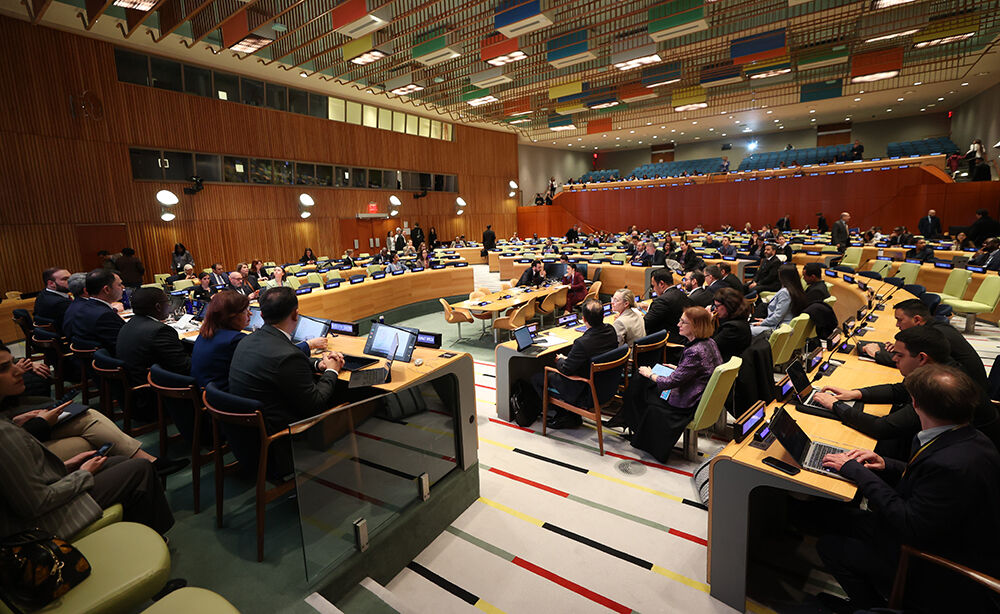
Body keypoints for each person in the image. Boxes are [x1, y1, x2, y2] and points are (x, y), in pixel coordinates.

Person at [817, 365, 1000, 613]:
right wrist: (886, 464)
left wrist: (856, 471)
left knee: (830, 547)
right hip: (944, 532)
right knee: (836, 517)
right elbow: (928, 478)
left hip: (929, 561)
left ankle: (872, 607)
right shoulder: (973, 438)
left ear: (915, 404)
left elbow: (907, 521)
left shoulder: (950, 464)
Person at [0, 345, 175, 537]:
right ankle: (153, 539)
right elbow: (37, 503)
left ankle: (138, 532)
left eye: (13, 363)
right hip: (42, 523)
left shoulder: (7, 423)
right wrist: (83, 473)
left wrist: (66, 466)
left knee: (117, 460)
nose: (18, 371)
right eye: (4, 368)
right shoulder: (4, 434)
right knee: (140, 469)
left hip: (48, 488)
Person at [812, 325, 998, 457]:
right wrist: (856, 393)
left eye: (899, 355)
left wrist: (835, 405)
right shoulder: (941, 369)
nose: (893, 358)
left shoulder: (940, 388)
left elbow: (882, 428)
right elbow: (900, 390)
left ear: (922, 358)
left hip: (959, 459)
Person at [606, 307, 722, 462]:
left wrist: (651, 374)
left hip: (686, 401)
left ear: (696, 327)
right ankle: (633, 425)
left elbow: (670, 382)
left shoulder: (694, 351)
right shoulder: (709, 343)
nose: (678, 324)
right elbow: (701, 370)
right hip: (695, 391)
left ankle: (635, 428)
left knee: (639, 383)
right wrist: (678, 369)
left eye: (683, 322)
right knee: (641, 382)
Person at [228, 287, 345, 436]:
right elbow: (316, 404)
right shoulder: (287, 356)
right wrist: (332, 370)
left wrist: (318, 365)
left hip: (245, 430)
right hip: (280, 435)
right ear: (296, 314)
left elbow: (283, 362)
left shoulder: (247, 340)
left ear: (262, 315)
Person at [192, 291, 325, 392]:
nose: (250, 314)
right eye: (245, 311)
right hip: (230, 402)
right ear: (231, 316)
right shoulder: (235, 340)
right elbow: (279, 357)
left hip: (210, 395)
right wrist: (309, 344)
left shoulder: (206, 332)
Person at [860, 299, 988, 390]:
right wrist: (901, 349)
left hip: (965, 393)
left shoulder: (935, 335)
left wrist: (877, 353)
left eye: (900, 320)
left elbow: (914, 362)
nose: (897, 325)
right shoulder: (935, 327)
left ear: (917, 319)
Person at [529, 299, 618, 430]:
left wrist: (560, 360)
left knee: (537, 378)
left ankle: (563, 414)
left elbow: (566, 370)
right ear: (603, 316)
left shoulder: (582, 343)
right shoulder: (611, 331)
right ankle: (567, 414)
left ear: (584, 319)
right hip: (606, 385)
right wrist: (570, 359)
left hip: (584, 391)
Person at [116, 288, 192, 422]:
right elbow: (184, 368)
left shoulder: (129, 324)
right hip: (156, 399)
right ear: (158, 307)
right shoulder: (160, 331)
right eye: (167, 302)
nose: (169, 306)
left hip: (135, 393)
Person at [72, 269, 124, 353]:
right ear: (107, 289)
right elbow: (122, 347)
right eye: (119, 284)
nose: (123, 287)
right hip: (111, 359)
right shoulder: (105, 316)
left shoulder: (83, 307)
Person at [750, 263, 806, 337]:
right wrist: (765, 321)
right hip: (780, 325)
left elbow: (778, 316)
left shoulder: (785, 292)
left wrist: (764, 323)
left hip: (778, 328)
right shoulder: (796, 289)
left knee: (746, 331)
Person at [644, 268, 692, 344]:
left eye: (653, 286)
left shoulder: (662, 301)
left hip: (668, 342)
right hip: (683, 338)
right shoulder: (681, 294)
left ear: (661, 284)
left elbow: (645, 323)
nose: (654, 289)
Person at [711, 288, 752, 361]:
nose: (715, 309)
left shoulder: (733, 328)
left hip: (726, 363)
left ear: (728, 305)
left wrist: (705, 322)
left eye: (717, 306)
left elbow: (709, 348)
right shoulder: (739, 320)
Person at [34, 267, 72, 333]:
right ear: (51, 283)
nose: (71, 282)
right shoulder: (61, 303)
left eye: (71, 278)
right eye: (65, 279)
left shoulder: (43, 294)